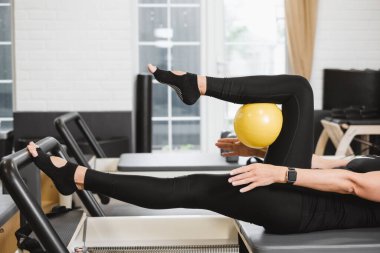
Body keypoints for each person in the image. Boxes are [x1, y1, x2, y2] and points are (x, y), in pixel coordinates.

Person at [27, 64, 380, 234]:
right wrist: (259, 149)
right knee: (297, 91)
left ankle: (72, 176)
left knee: (190, 187)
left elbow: (351, 184)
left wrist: (279, 172)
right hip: (298, 194)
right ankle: (73, 176)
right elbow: (329, 164)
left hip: (301, 209)